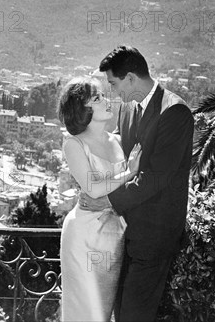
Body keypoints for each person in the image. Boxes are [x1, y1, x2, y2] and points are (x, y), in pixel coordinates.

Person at [80, 45, 194, 322]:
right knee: (120, 312)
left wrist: (106, 200)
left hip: (154, 236)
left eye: (114, 83)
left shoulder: (175, 112)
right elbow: (122, 156)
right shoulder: (127, 110)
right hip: (125, 233)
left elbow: (154, 178)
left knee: (134, 315)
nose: (113, 91)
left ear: (131, 78)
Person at [57, 77, 142, 322]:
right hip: (82, 236)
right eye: (97, 98)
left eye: (104, 95)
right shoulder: (73, 144)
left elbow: (131, 189)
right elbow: (93, 189)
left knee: (101, 313)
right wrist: (129, 172)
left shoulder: (118, 142)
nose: (106, 101)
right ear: (83, 109)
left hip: (113, 235)